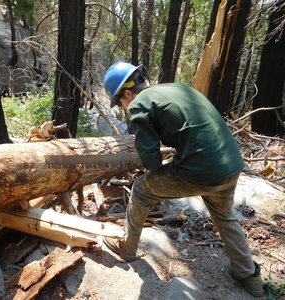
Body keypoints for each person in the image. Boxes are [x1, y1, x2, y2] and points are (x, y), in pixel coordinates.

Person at [102, 62, 264, 297]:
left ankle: (127, 248)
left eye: (120, 102)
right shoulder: (175, 89)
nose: (123, 107)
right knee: (224, 217)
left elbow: (150, 157)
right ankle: (250, 278)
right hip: (230, 164)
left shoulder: (139, 103)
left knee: (141, 188)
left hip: (202, 169)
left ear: (127, 93)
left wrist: (152, 168)